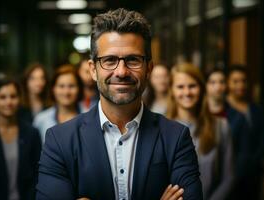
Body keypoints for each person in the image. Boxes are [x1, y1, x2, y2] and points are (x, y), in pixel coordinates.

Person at [36, 8, 202, 200]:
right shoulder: (60, 141)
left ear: (149, 68)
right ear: (93, 69)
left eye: (133, 60)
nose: (121, 71)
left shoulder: (176, 138)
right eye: (109, 60)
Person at [167, 63, 234, 200]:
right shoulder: (161, 128)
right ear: (172, 91)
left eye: (192, 86)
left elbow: (229, 177)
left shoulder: (221, 126)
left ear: (202, 89)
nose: (187, 92)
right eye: (180, 87)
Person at [0, 78, 41, 200]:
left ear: (20, 99)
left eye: (13, 96)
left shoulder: (32, 133)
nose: (8, 102)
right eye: (2, 97)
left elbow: (37, 174)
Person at [226, 65, 264, 200]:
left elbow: (263, 140)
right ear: (228, 83)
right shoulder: (223, 109)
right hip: (230, 173)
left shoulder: (256, 109)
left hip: (253, 173)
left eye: (243, 81)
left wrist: (255, 162)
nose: (240, 85)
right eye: (235, 81)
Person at [33, 64, 83, 143]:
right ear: (53, 89)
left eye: (71, 86)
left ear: (79, 89)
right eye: (61, 86)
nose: (66, 92)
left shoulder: (90, 118)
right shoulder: (41, 120)